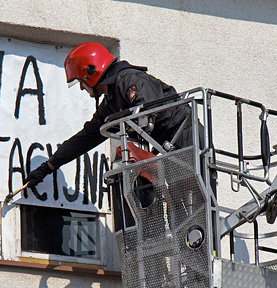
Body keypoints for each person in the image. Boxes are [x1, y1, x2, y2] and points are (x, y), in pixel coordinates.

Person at [26, 42, 194, 189]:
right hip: (168, 148)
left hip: (185, 137)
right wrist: (49, 166)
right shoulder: (111, 103)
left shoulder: (129, 79)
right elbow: (86, 138)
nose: (81, 88)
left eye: (81, 82)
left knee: (194, 198)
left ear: (89, 73)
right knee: (180, 205)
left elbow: (149, 108)